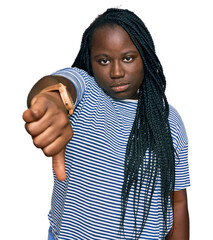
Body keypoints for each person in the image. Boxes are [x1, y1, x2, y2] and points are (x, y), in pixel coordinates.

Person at [23, 8, 190, 240]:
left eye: (128, 58)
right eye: (103, 61)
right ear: (90, 62)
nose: (117, 71)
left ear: (146, 57)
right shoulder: (85, 94)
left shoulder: (168, 120)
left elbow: (178, 201)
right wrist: (51, 99)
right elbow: (60, 84)